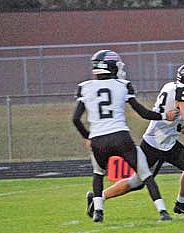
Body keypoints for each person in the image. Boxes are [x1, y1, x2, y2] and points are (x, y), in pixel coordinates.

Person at [96, 63, 184, 216]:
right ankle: (99, 197)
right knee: (137, 182)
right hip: (154, 144)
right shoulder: (183, 91)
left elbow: (180, 128)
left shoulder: (171, 87)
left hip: (168, 142)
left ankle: (181, 204)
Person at [72, 49, 177, 223]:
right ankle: (163, 211)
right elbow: (143, 113)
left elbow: (76, 119)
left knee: (98, 173)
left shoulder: (85, 87)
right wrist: (165, 116)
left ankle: (98, 212)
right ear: (112, 67)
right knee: (145, 174)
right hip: (120, 137)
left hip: (98, 139)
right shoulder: (123, 85)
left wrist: (88, 137)